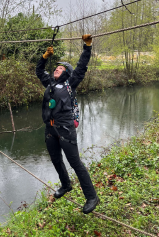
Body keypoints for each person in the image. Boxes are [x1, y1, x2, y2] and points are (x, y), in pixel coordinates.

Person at [36, 34, 99, 214]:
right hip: (50, 129)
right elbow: (39, 71)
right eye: (56, 67)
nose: (57, 69)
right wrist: (44, 58)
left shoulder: (70, 83)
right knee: (56, 160)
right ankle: (66, 185)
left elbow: (81, 68)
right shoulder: (49, 83)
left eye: (61, 68)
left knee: (75, 163)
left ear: (67, 73)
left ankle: (92, 196)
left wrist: (87, 47)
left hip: (65, 129)